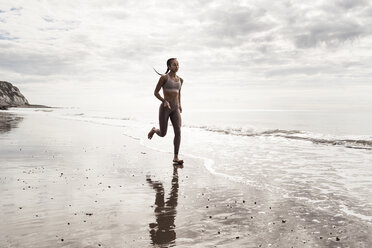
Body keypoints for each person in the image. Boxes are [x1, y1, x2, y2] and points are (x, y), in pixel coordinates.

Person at [148, 58, 184, 165]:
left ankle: (176, 157)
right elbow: (156, 92)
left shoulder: (180, 80)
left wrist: (180, 105)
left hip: (175, 108)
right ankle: (154, 130)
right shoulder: (164, 78)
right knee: (163, 133)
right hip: (165, 108)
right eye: (174, 64)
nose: (176, 66)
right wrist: (164, 101)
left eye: (177, 64)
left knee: (178, 131)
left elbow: (179, 93)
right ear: (169, 66)